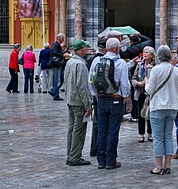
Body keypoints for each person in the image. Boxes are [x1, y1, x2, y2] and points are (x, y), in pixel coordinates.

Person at [89, 37, 130, 169]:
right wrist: (125, 96)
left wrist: (96, 94)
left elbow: (91, 80)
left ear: (106, 48)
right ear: (117, 48)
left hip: (101, 98)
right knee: (113, 130)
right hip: (115, 99)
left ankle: (101, 160)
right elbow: (124, 83)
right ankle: (111, 160)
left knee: (102, 130)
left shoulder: (97, 60)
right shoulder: (121, 63)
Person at [146, 44, 178, 175]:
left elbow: (149, 90)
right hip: (172, 106)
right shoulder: (175, 70)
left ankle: (158, 166)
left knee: (158, 137)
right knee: (168, 136)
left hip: (158, 107)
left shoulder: (155, 70)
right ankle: (168, 165)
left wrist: (145, 83)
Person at [64, 39, 93, 166]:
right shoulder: (80, 65)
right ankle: (75, 157)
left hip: (71, 99)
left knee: (72, 128)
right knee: (79, 130)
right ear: (81, 49)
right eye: (85, 48)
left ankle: (70, 154)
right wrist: (88, 105)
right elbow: (82, 86)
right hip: (79, 102)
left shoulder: (70, 62)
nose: (87, 50)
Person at [131, 47, 155, 142]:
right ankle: (141, 134)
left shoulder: (155, 65)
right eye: (144, 52)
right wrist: (137, 83)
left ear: (152, 55)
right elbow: (133, 78)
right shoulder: (139, 65)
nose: (145, 54)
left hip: (150, 93)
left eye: (147, 53)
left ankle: (150, 133)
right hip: (140, 91)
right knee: (141, 113)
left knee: (150, 113)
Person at [50, 33, 66, 100]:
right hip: (56, 64)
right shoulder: (55, 44)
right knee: (57, 80)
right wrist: (63, 55)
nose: (63, 40)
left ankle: (53, 91)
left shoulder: (57, 44)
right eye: (62, 38)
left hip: (59, 64)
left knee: (61, 80)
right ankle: (55, 94)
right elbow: (54, 52)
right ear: (58, 38)